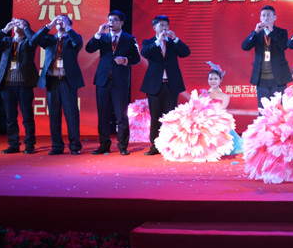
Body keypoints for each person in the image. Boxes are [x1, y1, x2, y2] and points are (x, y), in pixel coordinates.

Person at [154, 62, 239, 162]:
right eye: (211, 79)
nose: (213, 81)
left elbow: (222, 111)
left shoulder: (225, 96)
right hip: (203, 120)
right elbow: (197, 109)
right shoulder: (203, 94)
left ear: (221, 80)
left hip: (217, 121)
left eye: (215, 79)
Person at [85, 10, 140, 155]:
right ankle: (104, 144)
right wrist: (98, 33)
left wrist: (125, 60)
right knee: (103, 115)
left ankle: (123, 146)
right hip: (103, 81)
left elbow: (136, 58)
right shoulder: (102, 37)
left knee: (121, 115)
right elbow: (89, 48)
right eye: (109, 19)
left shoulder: (129, 39)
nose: (111, 22)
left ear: (121, 22)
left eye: (114, 20)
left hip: (120, 82)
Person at [33, 14, 84, 155]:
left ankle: (75, 146)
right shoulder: (50, 39)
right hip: (52, 80)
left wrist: (67, 28)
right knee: (54, 115)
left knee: (71, 115)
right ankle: (57, 146)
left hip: (67, 81)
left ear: (70, 24)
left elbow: (77, 42)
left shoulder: (74, 38)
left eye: (64, 20)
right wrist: (49, 25)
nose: (60, 22)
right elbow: (34, 39)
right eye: (58, 20)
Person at [140, 15, 191, 156]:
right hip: (154, 86)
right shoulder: (149, 42)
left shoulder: (173, 43)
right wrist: (158, 41)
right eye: (161, 25)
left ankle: (171, 145)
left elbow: (186, 52)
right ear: (154, 27)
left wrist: (175, 39)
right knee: (155, 116)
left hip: (171, 85)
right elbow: (145, 53)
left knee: (171, 117)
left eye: (166, 25)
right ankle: (155, 146)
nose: (164, 28)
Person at [0, 18, 39, 154]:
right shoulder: (7, 41)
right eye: (16, 24)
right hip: (7, 84)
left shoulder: (28, 42)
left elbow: (35, 40)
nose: (17, 25)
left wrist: (25, 27)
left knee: (27, 115)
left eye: (21, 24)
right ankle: (13, 144)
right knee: (10, 116)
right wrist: (5, 29)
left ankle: (29, 144)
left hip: (24, 83)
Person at [241, 5, 293, 110]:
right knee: (263, 110)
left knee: (279, 110)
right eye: (263, 15)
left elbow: (283, 46)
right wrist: (255, 32)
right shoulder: (257, 33)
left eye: (269, 15)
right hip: (261, 79)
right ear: (260, 18)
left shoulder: (281, 32)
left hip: (278, 78)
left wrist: (272, 32)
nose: (266, 18)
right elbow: (245, 47)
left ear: (274, 17)